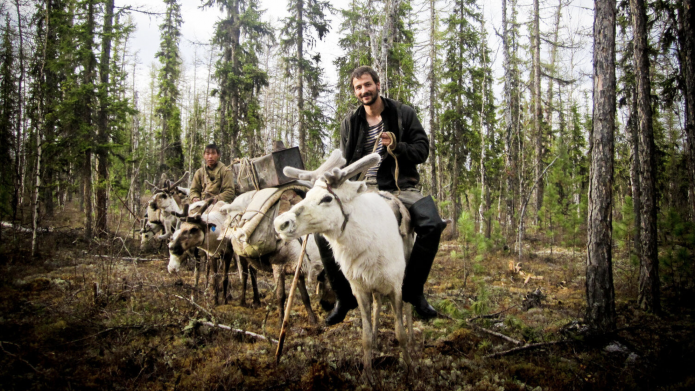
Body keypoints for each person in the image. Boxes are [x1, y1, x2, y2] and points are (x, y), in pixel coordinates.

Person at [316, 66, 446, 325]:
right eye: (358, 87)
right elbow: (345, 160)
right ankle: (344, 297)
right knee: (322, 232)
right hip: (361, 187)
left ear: (377, 84)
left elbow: (422, 150)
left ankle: (413, 291)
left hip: (400, 187)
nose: (363, 91)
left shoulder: (402, 114)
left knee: (432, 224)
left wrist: (397, 146)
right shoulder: (350, 123)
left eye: (367, 85)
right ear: (355, 92)